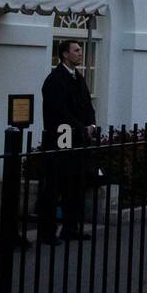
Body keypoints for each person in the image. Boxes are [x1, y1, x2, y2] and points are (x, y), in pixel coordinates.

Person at [36, 39, 97, 243]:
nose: (80, 53)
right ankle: (47, 232)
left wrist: (92, 125)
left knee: (75, 185)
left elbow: (87, 105)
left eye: (80, 50)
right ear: (64, 54)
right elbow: (58, 111)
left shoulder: (78, 78)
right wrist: (82, 128)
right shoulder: (55, 80)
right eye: (76, 50)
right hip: (60, 138)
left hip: (78, 140)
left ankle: (71, 227)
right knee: (54, 186)